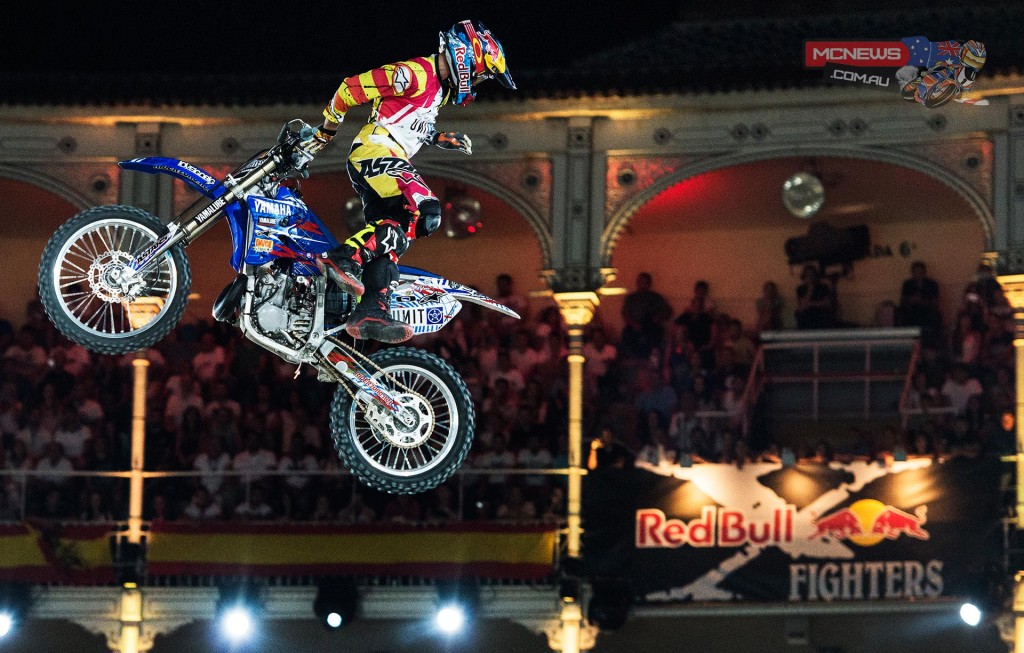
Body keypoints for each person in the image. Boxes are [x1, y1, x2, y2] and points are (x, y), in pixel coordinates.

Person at [301, 20, 516, 343]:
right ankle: (344, 258)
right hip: (375, 151)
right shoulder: (414, 73)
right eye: (482, 73)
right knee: (426, 209)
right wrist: (327, 130)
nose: (479, 81)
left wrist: (438, 137)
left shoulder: (438, 93)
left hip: (386, 159)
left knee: (393, 238)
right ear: (466, 58)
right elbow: (350, 88)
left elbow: (407, 121)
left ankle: (372, 308)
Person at [794, 264, 836, 329]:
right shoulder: (800, 289)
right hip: (807, 315)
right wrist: (810, 288)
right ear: (804, 276)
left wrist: (811, 304)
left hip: (820, 313)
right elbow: (802, 306)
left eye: (812, 274)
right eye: (807, 275)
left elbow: (827, 303)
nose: (810, 277)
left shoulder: (823, 287)